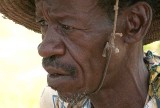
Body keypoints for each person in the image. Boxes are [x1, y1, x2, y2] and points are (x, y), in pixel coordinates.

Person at [0, 0, 160, 108]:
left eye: (67, 26)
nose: (44, 48)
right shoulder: (53, 101)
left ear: (134, 24)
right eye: (43, 23)